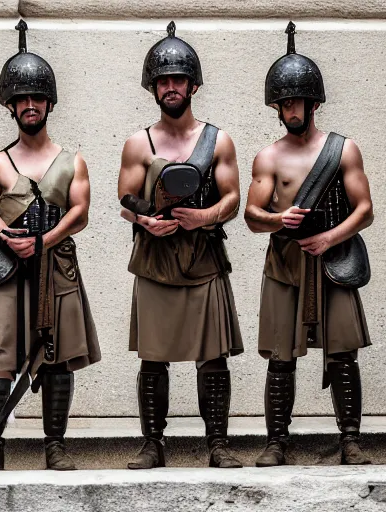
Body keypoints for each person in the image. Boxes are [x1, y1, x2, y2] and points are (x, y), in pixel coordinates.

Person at [0, 20, 100, 473]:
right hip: (8, 266)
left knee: (56, 353)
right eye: (21, 99)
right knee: (2, 352)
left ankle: (55, 446)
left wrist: (44, 240)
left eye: (36, 98)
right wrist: (5, 236)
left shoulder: (71, 159)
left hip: (55, 268)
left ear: (48, 103)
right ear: (11, 106)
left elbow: (79, 212)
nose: (29, 105)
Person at [244, 21, 373, 466]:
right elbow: (252, 215)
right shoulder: (268, 156)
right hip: (285, 262)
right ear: (276, 108)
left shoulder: (344, 150)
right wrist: (280, 218)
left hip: (333, 260)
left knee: (342, 353)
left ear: (314, 102)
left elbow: (365, 209)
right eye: (284, 102)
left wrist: (329, 237)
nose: (291, 108)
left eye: (297, 100)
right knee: (281, 357)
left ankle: (351, 440)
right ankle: (277, 441)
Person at [118, 21, 244, 470]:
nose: (171, 88)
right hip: (154, 260)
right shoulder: (139, 143)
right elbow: (124, 202)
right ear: (154, 88)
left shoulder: (218, 140)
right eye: (163, 81)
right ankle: (153, 445)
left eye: (179, 80)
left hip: (205, 258)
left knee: (213, 356)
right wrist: (145, 221)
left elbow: (232, 198)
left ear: (193, 85)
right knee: (153, 358)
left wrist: (206, 216)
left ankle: (218, 445)